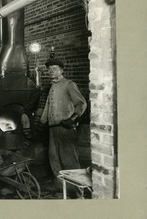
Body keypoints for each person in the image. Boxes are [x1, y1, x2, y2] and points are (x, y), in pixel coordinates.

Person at [40, 58, 87, 198]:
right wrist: (42, 122)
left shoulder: (69, 84)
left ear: (61, 70)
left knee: (69, 159)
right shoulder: (53, 87)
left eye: (54, 68)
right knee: (54, 158)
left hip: (65, 128)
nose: (51, 71)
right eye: (49, 69)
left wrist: (73, 118)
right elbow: (48, 106)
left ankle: (77, 191)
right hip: (52, 128)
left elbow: (81, 104)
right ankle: (60, 187)